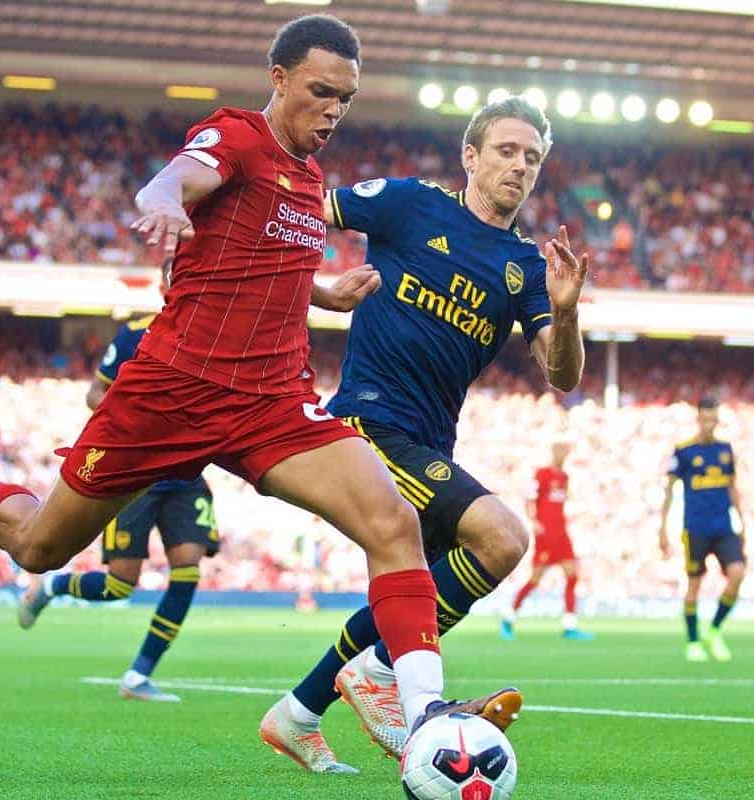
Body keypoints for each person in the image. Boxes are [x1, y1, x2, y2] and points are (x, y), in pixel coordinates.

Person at [0, 12, 517, 754]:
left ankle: (425, 716)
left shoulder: (308, 181)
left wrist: (322, 294)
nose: (334, 109)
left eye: (347, 98)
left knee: (392, 523)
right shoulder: (238, 136)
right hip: (172, 391)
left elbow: (259, 265)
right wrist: (166, 199)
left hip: (272, 402)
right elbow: (178, 176)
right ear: (279, 79)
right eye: (321, 90)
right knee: (40, 546)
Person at [260, 95, 589, 773]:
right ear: (470, 155)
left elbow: (561, 374)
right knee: (502, 538)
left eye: (532, 157)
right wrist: (317, 290)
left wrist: (566, 310)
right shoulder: (410, 204)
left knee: (405, 588)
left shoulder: (526, 267)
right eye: (505, 150)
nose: (519, 166)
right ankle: (387, 674)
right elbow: (299, 209)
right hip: (369, 422)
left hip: (430, 443)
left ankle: (298, 713)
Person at [16, 281, 224, 702]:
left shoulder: (218, 333)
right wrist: (141, 416)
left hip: (185, 473)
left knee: (187, 568)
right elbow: (95, 392)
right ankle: (52, 588)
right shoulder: (135, 334)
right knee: (119, 585)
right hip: (138, 472)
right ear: (170, 283)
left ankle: (138, 675)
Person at [658, 396, 746, 662]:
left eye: (713, 419)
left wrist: (742, 521)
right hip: (695, 528)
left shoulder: (725, 450)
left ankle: (714, 628)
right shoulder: (684, 451)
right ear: (699, 418)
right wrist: (662, 528)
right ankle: (693, 641)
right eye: (705, 418)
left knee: (737, 574)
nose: (709, 424)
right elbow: (670, 491)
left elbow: (732, 487)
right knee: (694, 585)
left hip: (723, 526)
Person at [500, 439, 594, 641]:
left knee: (572, 575)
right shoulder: (543, 474)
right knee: (535, 580)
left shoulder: (565, 477)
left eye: (565, 452)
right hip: (547, 534)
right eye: (560, 451)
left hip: (562, 533)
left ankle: (570, 626)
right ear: (553, 452)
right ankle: (508, 618)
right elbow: (529, 497)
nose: (563, 456)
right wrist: (533, 520)